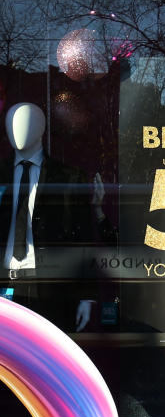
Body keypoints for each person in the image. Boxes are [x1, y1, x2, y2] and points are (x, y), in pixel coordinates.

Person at [2, 101, 106, 332]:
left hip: (50, 287)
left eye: (26, 124)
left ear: (41, 129)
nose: (16, 131)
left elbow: (83, 238)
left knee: (41, 356)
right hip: (4, 282)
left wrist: (86, 295)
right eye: (11, 124)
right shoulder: (1, 174)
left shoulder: (68, 178)